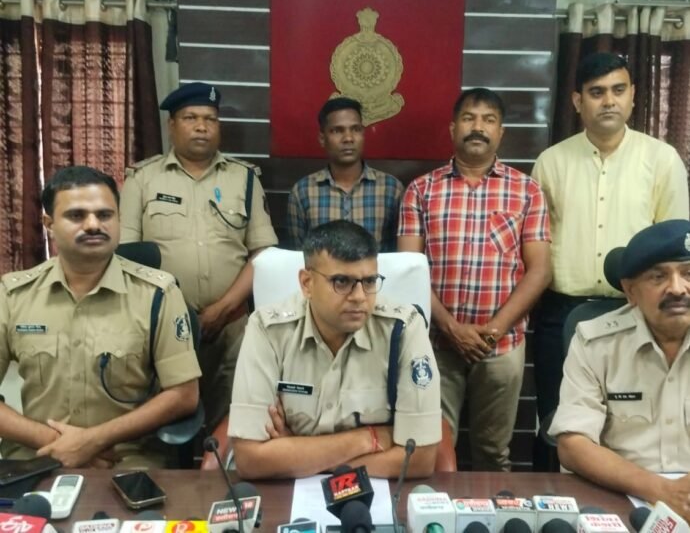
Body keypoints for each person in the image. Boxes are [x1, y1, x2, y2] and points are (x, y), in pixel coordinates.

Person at [0, 166, 201, 468]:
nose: (93, 224)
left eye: (105, 215)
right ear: (49, 224)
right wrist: (55, 442)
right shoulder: (13, 295)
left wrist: (93, 441)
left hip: (124, 461)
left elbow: (184, 395)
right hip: (38, 458)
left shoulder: (158, 293)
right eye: (76, 215)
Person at [398, 88, 551, 471]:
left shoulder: (527, 190)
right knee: (434, 452)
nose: (477, 127)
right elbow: (408, 269)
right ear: (453, 129)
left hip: (502, 347)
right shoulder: (421, 190)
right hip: (436, 344)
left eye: (488, 120)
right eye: (468, 118)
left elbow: (540, 270)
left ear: (501, 132)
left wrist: (492, 332)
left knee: (493, 453)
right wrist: (452, 329)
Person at [531, 52, 689, 423]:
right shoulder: (550, 162)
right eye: (597, 92)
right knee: (557, 420)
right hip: (560, 312)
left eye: (618, 90)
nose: (609, 101)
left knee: (632, 422)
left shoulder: (662, 159)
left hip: (638, 310)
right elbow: (536, 245)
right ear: (577, 101)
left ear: (633, 95)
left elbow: (676, 249)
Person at [120, 82, 278, 431]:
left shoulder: (244, 178)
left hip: (231, 326)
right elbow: (127, 257)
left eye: (210, 119)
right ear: (171, 125)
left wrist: (222, 308)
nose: (202, 127)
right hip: (162, 327)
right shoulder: (142, 179)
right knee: (166, 422)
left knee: (233, 420)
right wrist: (170, 311)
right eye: (190, 118)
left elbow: (262, 252)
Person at [229, 220, 441, 479]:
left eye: (369, 281)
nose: (360, 296)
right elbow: (250, 459)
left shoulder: (404, 328)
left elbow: (419, 460)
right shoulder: (267, 329)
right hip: (289, 493)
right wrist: (368, 438)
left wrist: (296, 454)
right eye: (342, 281)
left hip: (374, 491)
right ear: (307, 283)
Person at [550, 219, 690, 517]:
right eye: (658, 277)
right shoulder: (595, 343)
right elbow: (573, 444)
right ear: (630, 291)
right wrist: (660, 491)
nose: (677, 289)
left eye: (688, 274)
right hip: (619, 497)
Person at [286, 97, 403, 252]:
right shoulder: (303, 192)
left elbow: (398, 256)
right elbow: (298, 256)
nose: (348, 138)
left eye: (356, 129)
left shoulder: (391, 189)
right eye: (337, 130)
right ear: (322, 138)